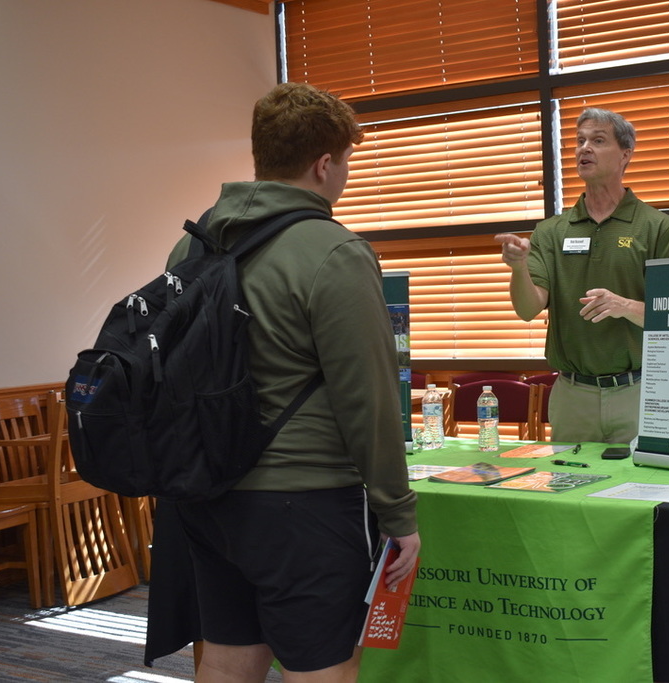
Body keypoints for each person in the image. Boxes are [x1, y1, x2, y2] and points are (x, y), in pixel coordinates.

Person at [166, 82, 420, 683]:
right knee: (323, 667)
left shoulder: (191, 244)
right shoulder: (334, 252)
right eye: (347, 161)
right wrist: (398, 514)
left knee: (229, 659)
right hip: (302, 502)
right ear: (324, 164)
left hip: (206, 490)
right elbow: (370, 398)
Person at [496, 107, 669, 445]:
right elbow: (528, 309)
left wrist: (625, 306)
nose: (585, 148)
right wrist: (519, 267)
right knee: (569, 490)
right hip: (573, 396)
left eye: (598, 141)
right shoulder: (551, 231)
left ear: (625, 154)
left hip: (640, 392)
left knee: (641, 492)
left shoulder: (658, 227)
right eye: (580, 141)